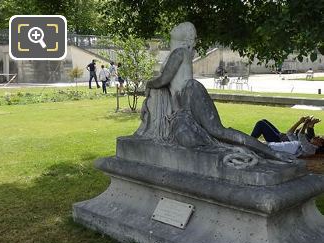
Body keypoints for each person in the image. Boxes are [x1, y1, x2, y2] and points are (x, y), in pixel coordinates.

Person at [136, 22, 288, 162]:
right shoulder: (179, 53)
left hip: (191, 92)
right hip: (183, 106)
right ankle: (256, 151)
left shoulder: (180, 52)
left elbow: (164, 79)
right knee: (201, 137)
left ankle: (272, 152)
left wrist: (148, 84)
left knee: (217, 131)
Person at [251, 116, 324, 156]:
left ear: (320, 144)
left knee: (261, 123)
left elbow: (301, 136)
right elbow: (290, 133)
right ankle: (250, 142)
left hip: (278, 140)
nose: (317, 136)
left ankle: (249, 142)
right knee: (263, 121)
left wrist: (304, 124)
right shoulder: (303, 144)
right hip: (281, 138)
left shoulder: (311, 149)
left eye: (319, 138)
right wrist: (301, 123)